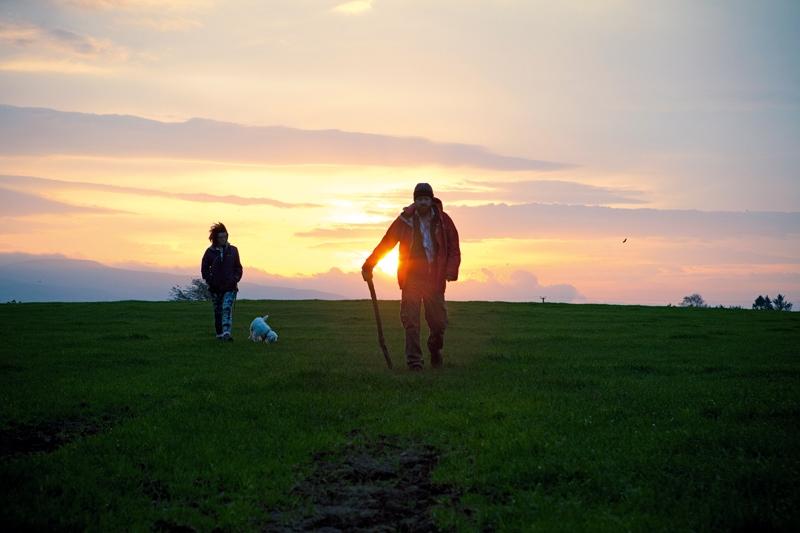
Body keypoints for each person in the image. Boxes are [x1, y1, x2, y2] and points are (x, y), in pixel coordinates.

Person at [362, 183, 461, 370]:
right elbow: (387, 242)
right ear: (414, 201)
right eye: (419, 199)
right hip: (411, 279)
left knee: (438, 323)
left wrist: (451, 270)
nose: (423, 203)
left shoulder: (444, 220)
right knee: (411, 321)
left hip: (435, 279)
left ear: (431, 200)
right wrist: (370, 263)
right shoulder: (404, 220)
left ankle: (434, 349)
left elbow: (454, 247)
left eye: (426, 199)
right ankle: (414, 363)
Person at [201, 222, 243, 341]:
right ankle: (219, 333)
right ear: (215, 238)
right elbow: (204, 270)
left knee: (227, 308)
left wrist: (235, 279)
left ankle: (226, 333)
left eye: (225, 236)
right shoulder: (209, 253)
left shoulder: (233, 251)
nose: (223, 239)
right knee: (218, 310)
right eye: (221, 237)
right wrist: (210, 281)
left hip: (230, 287)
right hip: (215, 288)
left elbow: (238, 268)